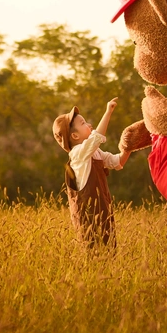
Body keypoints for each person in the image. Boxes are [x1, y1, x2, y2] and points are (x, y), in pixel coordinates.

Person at [52, 98, 130, 248]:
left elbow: (116, 162)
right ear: (75, 136)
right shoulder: (77, 154)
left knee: (109, 249)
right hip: (88, 217)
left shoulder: (95, 152)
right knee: (93, 250)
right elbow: (96, 138)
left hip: (104, 211)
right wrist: (108, 112)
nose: (89, 124)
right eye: (83, 123)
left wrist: (128, 147)